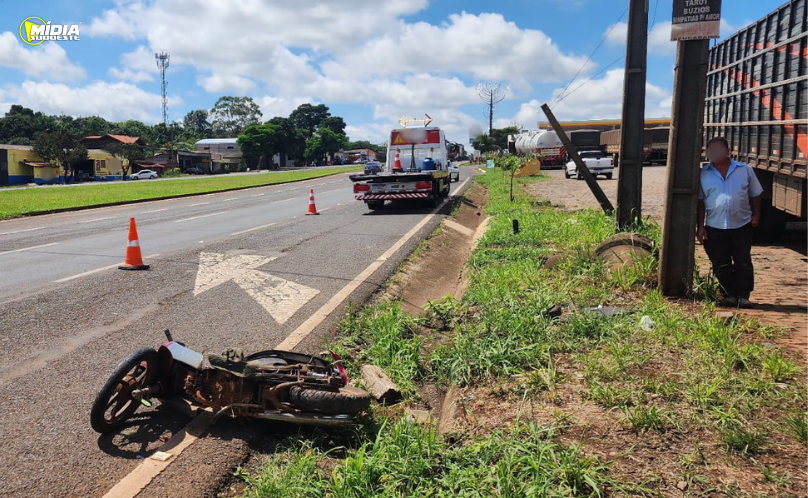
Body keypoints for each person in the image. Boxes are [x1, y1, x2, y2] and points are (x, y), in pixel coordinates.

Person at [697, 136, 763, 308]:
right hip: (715, 225)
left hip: (741, 224)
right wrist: (701, 227)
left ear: (728, 152)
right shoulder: (703, 174)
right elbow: (700, 202)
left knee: (743, 260)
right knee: (720, 261)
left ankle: (743, 295)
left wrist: (756, 215)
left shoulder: (744, 170)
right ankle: (728, 294)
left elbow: (755, 194)